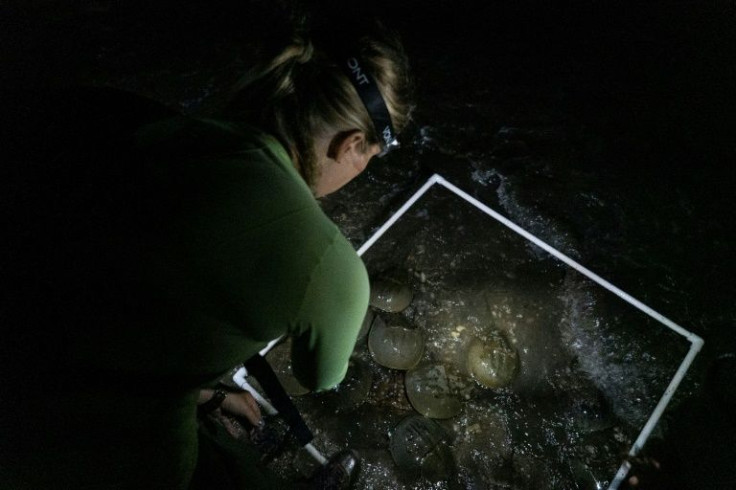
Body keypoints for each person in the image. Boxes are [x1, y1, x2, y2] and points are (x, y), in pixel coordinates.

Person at [0, 17, 412, 490]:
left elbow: (138, 308)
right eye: (373, 157)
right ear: (353, 144)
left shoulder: (155, 126)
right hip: (101, 441)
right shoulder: (333, 269)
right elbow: (319, 376)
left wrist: (209, 395)